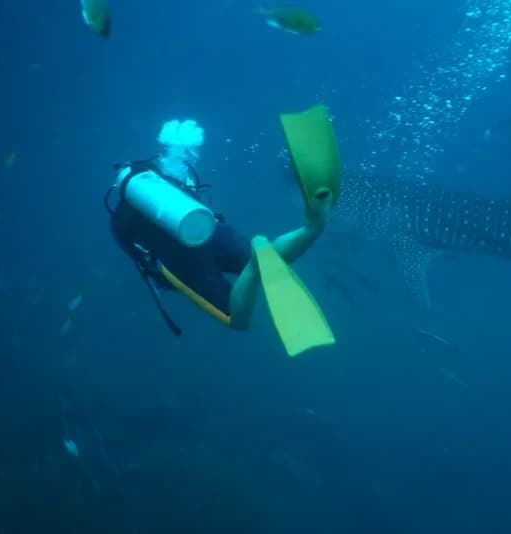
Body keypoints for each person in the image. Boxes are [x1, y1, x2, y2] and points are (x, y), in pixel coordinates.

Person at [105, 105, 340, 356]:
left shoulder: (134, 203)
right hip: (209, 231)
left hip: (177, 253)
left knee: (237, 320)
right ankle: (312, 227)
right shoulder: (169, 180)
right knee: (268, 257)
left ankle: (252, 268)